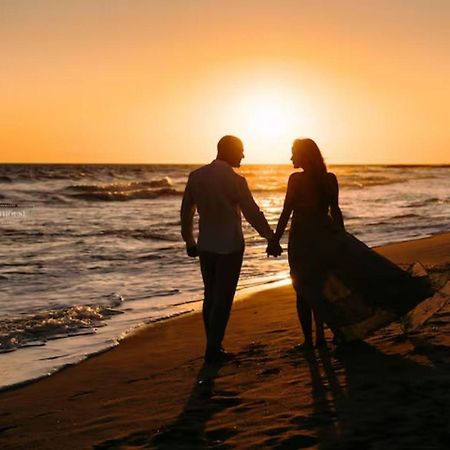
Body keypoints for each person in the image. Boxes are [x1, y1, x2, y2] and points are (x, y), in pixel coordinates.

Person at [268, 138, 431, 349]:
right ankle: (320, 337)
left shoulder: (296, 180)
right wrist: (342, 238)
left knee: (303, 288)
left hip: (303, 240)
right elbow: (334, 210)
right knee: (323, 287)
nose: (291, 157)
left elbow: (286, 211)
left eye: (293, 153)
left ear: (304, 155)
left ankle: (311, 340)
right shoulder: (329, 179)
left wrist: (274, 240)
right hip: (327, 237)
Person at [181, 135, 282, 364]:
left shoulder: (196, 177)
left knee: (210, 296)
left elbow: (186, 212)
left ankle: (213, 345)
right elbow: (252, 213)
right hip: (231, 245)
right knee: (223, 299)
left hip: (206, 244)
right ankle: (214, 349)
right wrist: (270, 238)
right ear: (229, 151)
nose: (243, 156)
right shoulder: (236, 181)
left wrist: (189, 240)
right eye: (241, 151)